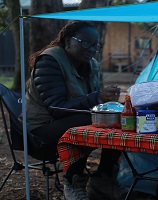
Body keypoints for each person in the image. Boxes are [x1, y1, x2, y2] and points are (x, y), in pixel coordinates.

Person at [26, 21, 122, 200]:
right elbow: (56, 108)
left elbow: (92, 101)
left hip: (72, 121)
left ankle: (103, 179)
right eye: (85, 43)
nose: (91, 49)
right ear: (69, 41)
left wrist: (107, 102)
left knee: (117, 119)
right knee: (86, 122)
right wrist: (98, 98)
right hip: (41, 129)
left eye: (95, 45)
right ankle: (72, 181)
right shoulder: (49, 60)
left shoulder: (91, 64)